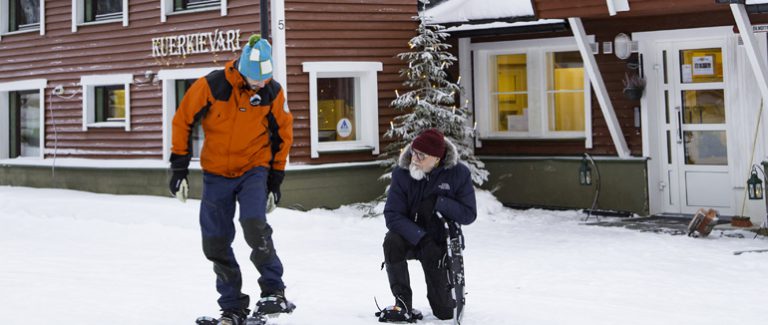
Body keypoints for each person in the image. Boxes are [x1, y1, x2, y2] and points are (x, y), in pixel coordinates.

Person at [168, 34, 294, 325]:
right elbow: (182, 120)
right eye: (257, 79)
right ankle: (233, 306)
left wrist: (275, 180)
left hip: (254, 168)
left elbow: (283, 136)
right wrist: (179, 169)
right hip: (216, 174)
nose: (262, 83)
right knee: (214, 242)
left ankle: (273, 290)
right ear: (242, 71)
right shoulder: (211, 85)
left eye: (266, 78)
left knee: (253, 223)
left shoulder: (272, 92)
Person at [379, 128, 477, 322]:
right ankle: (403, 303)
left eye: (421, 155)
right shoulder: (402, 173)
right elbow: (392, 214)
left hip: (440, 241)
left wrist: (439, 203)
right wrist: (420, 237)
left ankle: (445, 299)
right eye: (414, 152)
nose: (415, 158)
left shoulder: (458, 174)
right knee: (392, 241)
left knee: (444, 312)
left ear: (437, 158)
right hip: (411, 236)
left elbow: (468, 214)